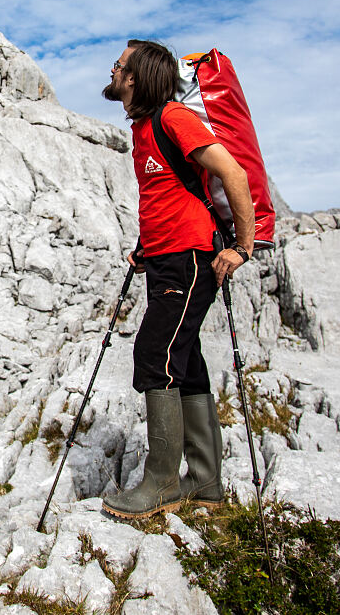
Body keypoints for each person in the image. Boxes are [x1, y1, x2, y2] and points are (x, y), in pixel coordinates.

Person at [100, 39, 255, 520]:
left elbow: (234, 173)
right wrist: (149, 245)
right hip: (167, 257)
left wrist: (241, 248)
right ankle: (205, 481)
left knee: (155, 354)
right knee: (184, 360)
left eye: (120, 64)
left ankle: (162, 481)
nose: (113, 68)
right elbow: (168, 192)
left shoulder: (173, 119)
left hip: (191, 257)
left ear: (137, 75)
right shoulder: (143, 127)